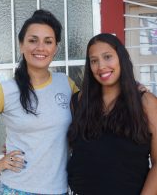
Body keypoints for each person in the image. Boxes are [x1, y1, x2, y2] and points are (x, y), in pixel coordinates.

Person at [0, 9, 78, 194]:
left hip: (58, 188)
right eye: (32, 40)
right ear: (21, 45)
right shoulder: (6, 90)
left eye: (48, 41)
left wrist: (133, 90)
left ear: (56, 48)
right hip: (17, 188)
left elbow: (89, 118)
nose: (40, 47)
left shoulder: (66, 84)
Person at [67, 33, 157, 195]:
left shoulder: (146, 103)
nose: (101, 66)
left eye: (107, 57)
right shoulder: (79, 101)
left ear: (121, 58)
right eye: (94, 61)